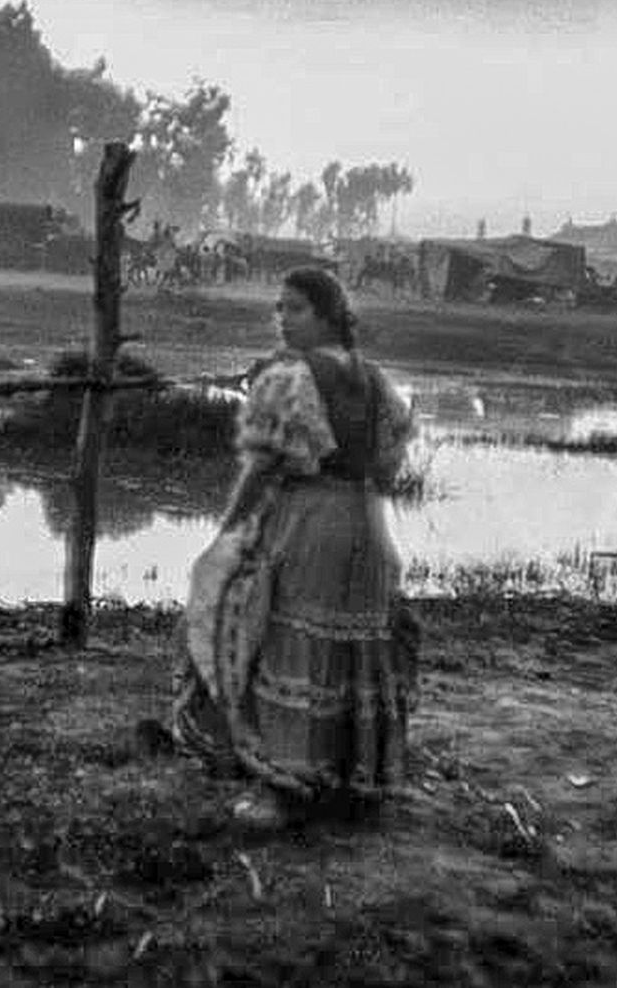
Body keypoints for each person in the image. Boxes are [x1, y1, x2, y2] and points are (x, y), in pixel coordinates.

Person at [173, 266, 418, 828]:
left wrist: (228, 528)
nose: (282, 319)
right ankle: (352, 778)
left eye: (295, 309)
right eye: (279, 309)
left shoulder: (292, 377)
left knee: (283, 634)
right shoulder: (376, 380)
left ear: (328, 314)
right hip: (367, 526)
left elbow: (262, 468)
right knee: (351, 642)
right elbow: (385, 469)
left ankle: (282, 787)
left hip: (311, 522)